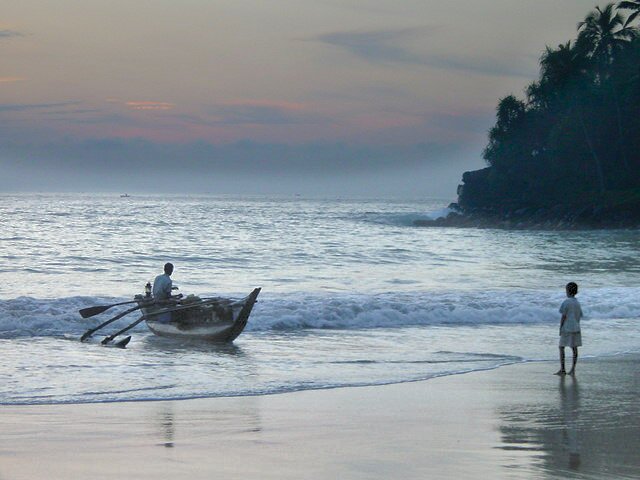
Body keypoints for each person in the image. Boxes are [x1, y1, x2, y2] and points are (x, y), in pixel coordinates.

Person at [555, 282, 583, 376]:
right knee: (574, 348)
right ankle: (573, 369)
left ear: (567, 291)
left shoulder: (566, 302)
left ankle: (563, 369)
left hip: (567, 328)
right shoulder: (577, 303)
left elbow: (563, 316)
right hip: (576, 327)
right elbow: (579, 316)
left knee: (561, 347)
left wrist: (560, 328)